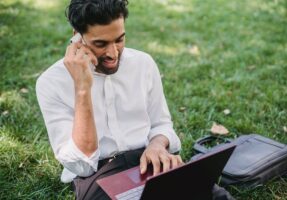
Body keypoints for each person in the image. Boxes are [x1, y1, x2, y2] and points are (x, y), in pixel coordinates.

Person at [36, 0, 234, 199]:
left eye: (119, 40)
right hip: (98, 173)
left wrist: (157, 145)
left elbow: (161, 124)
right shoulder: (51, 83)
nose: (113, 53)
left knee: (213, 196)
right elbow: (82, 165)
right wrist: (82, 88)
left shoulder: (143, 64)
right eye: (100, 44)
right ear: (77, 37)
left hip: (148, 158)